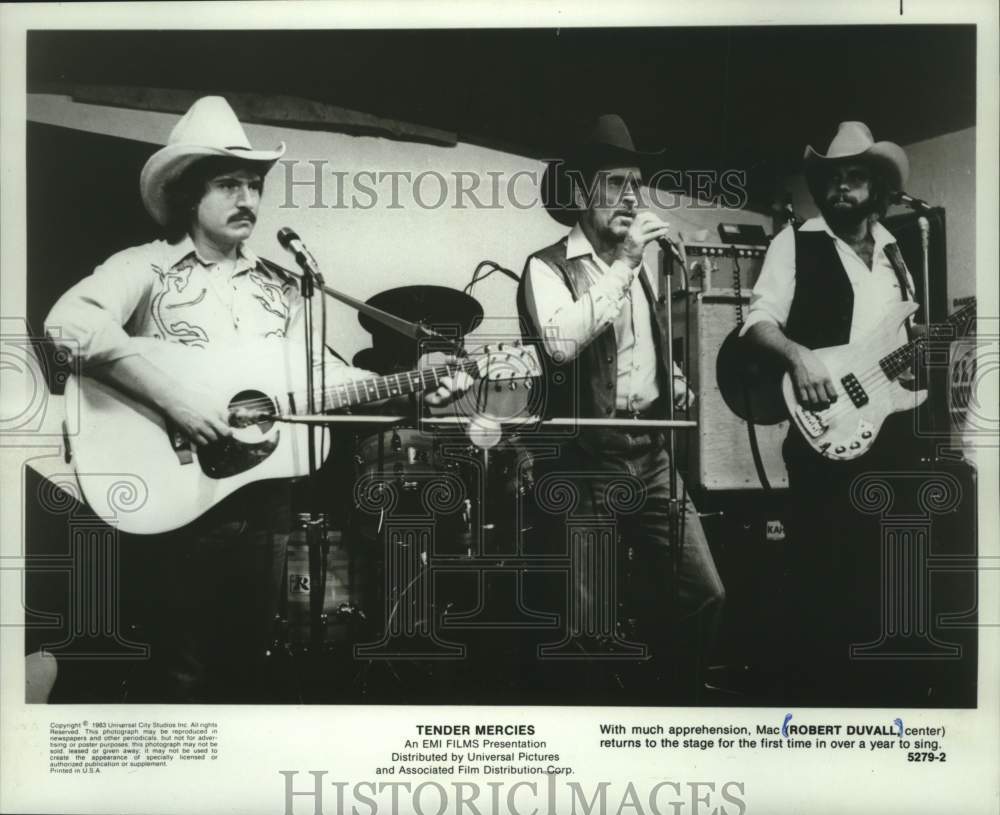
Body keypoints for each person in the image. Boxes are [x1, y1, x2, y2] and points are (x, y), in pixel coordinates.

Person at [44, 96, 467, 702]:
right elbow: (69, 323)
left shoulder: (282, 285)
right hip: (173, 497)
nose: (248, 198)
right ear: (191, 195)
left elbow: (324, 383)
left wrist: (420, 387)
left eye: (254, 184)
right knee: (178, 671)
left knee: (246, 666)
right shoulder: (146, 268)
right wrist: (179, 400)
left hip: (263, 500)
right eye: (228, 183)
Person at [517, 114, 725, 699]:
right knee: (585, 624)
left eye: (636, 184)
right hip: (583, 461)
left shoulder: (636, 272)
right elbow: (560, 343)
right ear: (582, 192)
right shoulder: (548, 266)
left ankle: (673, 709)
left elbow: (640, 347)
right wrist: (627, 263)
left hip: (651, 455)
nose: (630, 197)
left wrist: (673, 379)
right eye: (614, 183)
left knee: (704, 593)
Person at [740, 121, 920, 702]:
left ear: (879, 189)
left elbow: (898, 343)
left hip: (889, 433)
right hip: (825, 430)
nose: (842, 189)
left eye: (855, 179)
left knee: (886, 577)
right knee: (824, 578)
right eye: (833, 180)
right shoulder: (795, 241)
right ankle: (817, 703)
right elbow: (757, 323)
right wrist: (798, 358)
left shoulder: (897, 251)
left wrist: (913, 369)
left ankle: (880, 701)